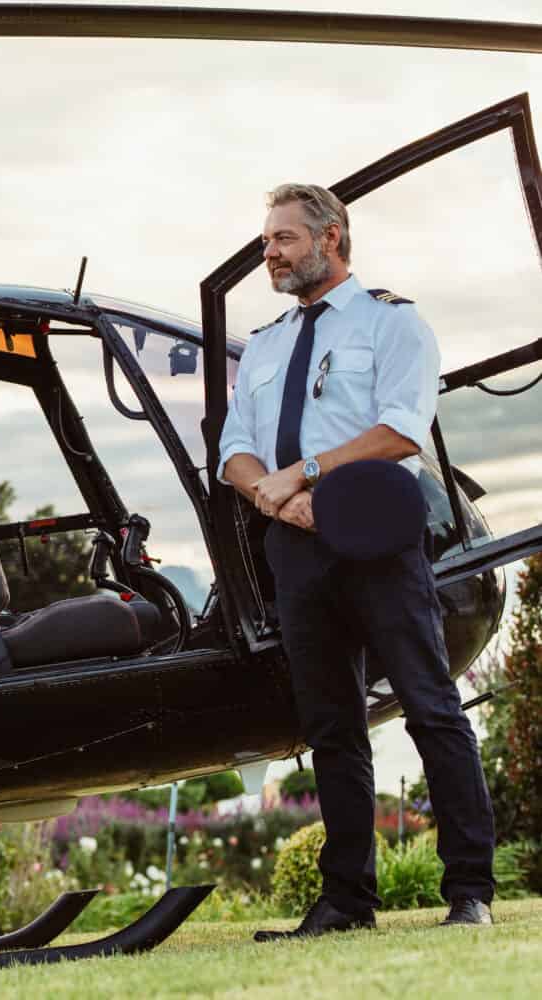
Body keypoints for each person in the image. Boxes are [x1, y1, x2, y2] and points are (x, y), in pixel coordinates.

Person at [218, 184, 495, 940]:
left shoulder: (392, 322)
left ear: (330, 237)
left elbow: (402, 429)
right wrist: (279, 500)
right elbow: (232, 454)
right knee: (330, 726)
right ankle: (346, 902)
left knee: (431, 707)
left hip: (375, 536)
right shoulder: (267, 344)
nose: (268, 253)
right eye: (268, 240)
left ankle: (470, 892)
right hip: (294, 545)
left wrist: (305, 473)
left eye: (282, 239)